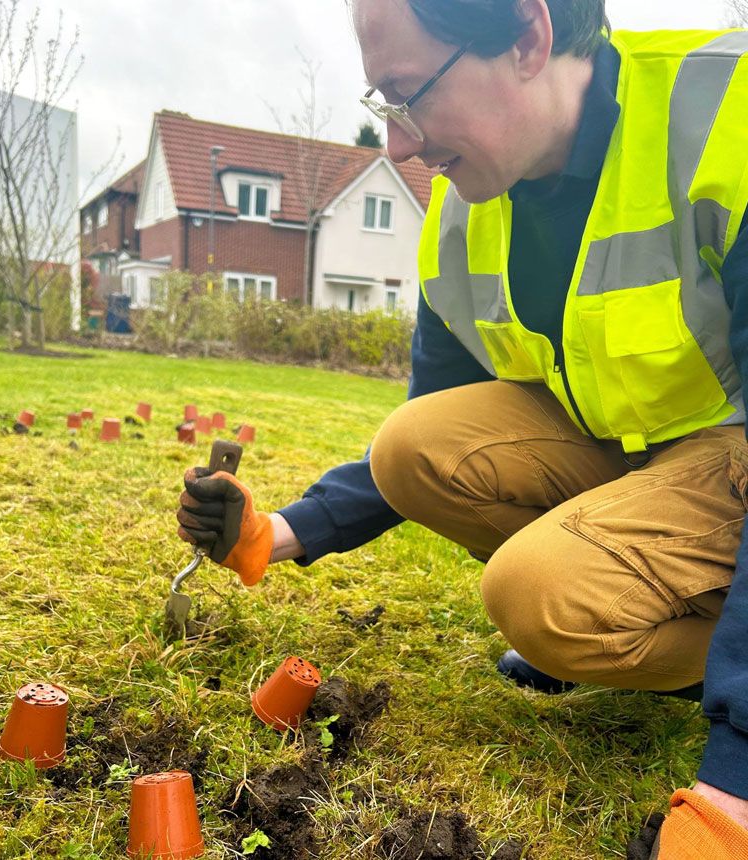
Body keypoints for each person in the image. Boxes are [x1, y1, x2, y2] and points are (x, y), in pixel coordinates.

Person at [176, 1, 748, 856]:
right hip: (634, 450)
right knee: (416, 445)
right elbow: (430, 431)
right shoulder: (464, 211)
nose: (398, 145)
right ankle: (633, 629)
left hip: (730, 449)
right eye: (384, 105)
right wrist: (278, 532)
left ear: (528, 37)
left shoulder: (721, 118)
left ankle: (687, 660)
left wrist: (735, 784)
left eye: (408, 95)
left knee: (536, 596)